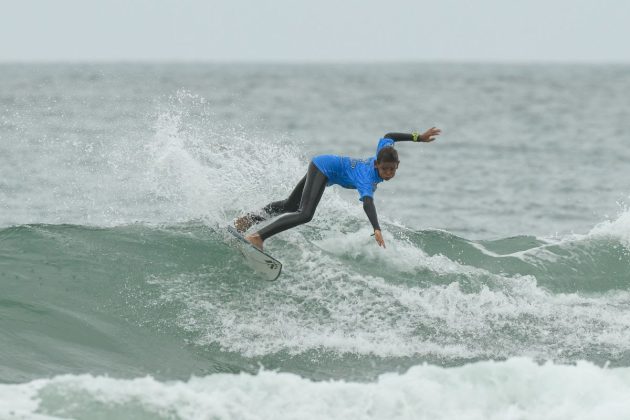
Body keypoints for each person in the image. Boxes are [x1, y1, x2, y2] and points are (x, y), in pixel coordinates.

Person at [234, 127, 441, 250]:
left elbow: (389, 135)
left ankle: (245, 221)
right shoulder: (367, 179)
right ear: (377, 164)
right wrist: (376, 228)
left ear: (397, 165)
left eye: (392, 169)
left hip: (323, 164)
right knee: (305, 214)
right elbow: (368, 203)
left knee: (290, 205)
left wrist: (418, 138)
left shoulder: (384, 152)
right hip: (324, 168)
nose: (388, 173)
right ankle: (257, 237)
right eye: (385, 169)